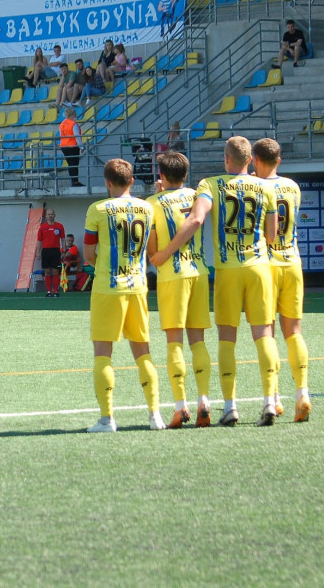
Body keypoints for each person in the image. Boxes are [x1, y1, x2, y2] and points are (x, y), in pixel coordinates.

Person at [151, 136, 280, 428]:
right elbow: (272, 236)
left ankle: (230, 407)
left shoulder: (211, 184)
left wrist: (165, 253)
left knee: (227, 339)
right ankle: (270, 401)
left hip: (227, 269)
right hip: (259, 267)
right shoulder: (265, 187)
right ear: (250, 159)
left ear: (226, 158)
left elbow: (196, 219)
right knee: (264, 336)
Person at [84, 159, 164, 433]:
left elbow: (87, 255)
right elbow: (151, 249)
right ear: (131, 181)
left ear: (107, 182)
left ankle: (107, 419)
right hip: (138, 287)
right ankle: (155, 416)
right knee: (143, 353)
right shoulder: (146, 208)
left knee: (103, 354)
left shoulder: (97, 209)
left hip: (108, 288)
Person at [146, 151, 213, 429]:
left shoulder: (151, 203)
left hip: (172, 276)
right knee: (198, 341)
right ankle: (204, 400)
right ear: (186, 174)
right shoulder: (197, 196)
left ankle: (180, 406)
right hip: (199, 272)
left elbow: (153, 251)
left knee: (174, 342)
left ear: (160, 175)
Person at [252, 138, 312, 423]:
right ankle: (302, 392)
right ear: (280, 159)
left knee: (268, 332)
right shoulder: (293, 186)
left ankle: (274, 398)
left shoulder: (258, 187)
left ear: (255, 160)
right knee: (294, 332)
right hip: (293, 261)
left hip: (268, 264)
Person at [36, 208, 65, 297]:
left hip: (56, 251)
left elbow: (63, 239)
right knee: (47, 271)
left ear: (54, 215)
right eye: (48, 214)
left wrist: (63, 251)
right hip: (45, 251)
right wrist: (38, 252)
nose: (50, 216)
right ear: (46, 216)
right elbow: (39, 240)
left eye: (52, 214)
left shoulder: (59, 226)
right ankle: (49, 291)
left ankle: (55, 291)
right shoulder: (42, 227)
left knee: (56, 271)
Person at [58, 106, 83, 187]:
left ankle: (73, 181)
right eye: (74, 115)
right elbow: (77, 136)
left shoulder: (62, 124)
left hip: (64, 146)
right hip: (72, 146)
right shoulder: (73, 124)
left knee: (70, 164)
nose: (75, 117)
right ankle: (75, 182)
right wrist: (81, 146)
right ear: (72, 115)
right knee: (74, 164)